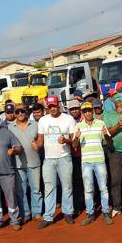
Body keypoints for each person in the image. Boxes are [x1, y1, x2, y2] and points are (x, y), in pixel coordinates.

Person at [36, 96, 76, 228]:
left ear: (58, 105)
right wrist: (36, 145)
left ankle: (68, 212)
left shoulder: (68, 119)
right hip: (48, 159)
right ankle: (48, 216)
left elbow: (75, 141)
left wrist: (66, 140)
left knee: (67, 186)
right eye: (50, 106)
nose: (52, 108)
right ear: (47, 107)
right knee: (49, 188)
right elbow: (41, 140)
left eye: (54, 106)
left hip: (64, 157)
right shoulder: (42, 120)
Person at [74, 102, 113, 225]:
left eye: (89, 110)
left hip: (99, 160)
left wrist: (106, 134)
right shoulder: (79, 126)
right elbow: (74, 146)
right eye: (85, 111)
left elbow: (109, 143)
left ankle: (106, 212)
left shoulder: (100, 124)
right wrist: (76, 137)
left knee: (103, 188)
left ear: (93, 111)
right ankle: (90, 214)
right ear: (82, 113)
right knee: (88, 189)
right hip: (86, 162)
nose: (88, 113)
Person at [8, 104, 42, 223]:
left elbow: (41, 140)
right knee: (21, 190)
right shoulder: (9, 127)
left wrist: (38, 144)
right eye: (17, 112)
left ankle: (37, 212)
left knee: (36, 189)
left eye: (22, 111)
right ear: (14, 113)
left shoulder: (35, 125)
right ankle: (25, 213)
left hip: (34, 161)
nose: (20, 114)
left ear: (26, 112)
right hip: (18, 164)